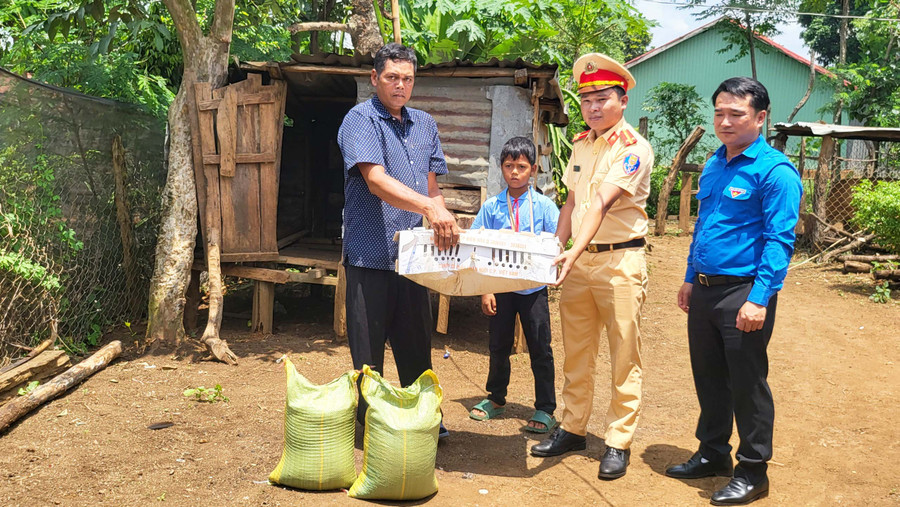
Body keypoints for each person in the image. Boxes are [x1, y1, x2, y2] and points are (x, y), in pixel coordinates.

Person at [665, 77, 802, 506]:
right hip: (706, 289)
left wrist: (759, 299)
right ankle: (712, 454)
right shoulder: (714, 164)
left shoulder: (775, 172)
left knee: (747, 383)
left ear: (760, 118)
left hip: (744, 292)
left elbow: (780, 241)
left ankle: (753, 471)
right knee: (709, 377)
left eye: (736, 114)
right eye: (719, 113)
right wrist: (691, 277)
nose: (725, 122)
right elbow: (703, 227)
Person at [530, 53, 653, 481]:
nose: (593, 107)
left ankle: (618, 440)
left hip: (620, 261)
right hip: (579, 263)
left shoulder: (634, 149)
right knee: (577, 351)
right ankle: (573, 428)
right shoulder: (582, 144)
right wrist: (556, 246)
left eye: (602, 98)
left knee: (624, 354)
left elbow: (601, 202)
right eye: (586, 100)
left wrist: (572, 250)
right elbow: (571, 203)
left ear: (622, 100)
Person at [336, 42, 460, 438]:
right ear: (375, 78)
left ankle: (425, 418)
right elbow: (376, 181)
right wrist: (430, 208)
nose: (400, 85)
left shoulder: (424, 124)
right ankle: (372, 424)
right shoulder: (360, 120)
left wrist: (443, 222)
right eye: (392, 77)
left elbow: (431, 187)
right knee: (368, 353)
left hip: (412, 256)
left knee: (416, 345)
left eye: (407, 78)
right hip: (369, 255)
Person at [467, 136, 560, 433]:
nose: (515, 172)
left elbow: (558, 241)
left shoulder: (544, 207)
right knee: (498, 345)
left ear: (533, 169)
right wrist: (486, 289)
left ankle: (545, 408)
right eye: (509, 166)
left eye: (521, 166)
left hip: (534, 289)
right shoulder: (492, 207)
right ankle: (496, 398)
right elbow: (476, 246)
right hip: (501, 289)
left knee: (540, 347)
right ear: (501, 168)